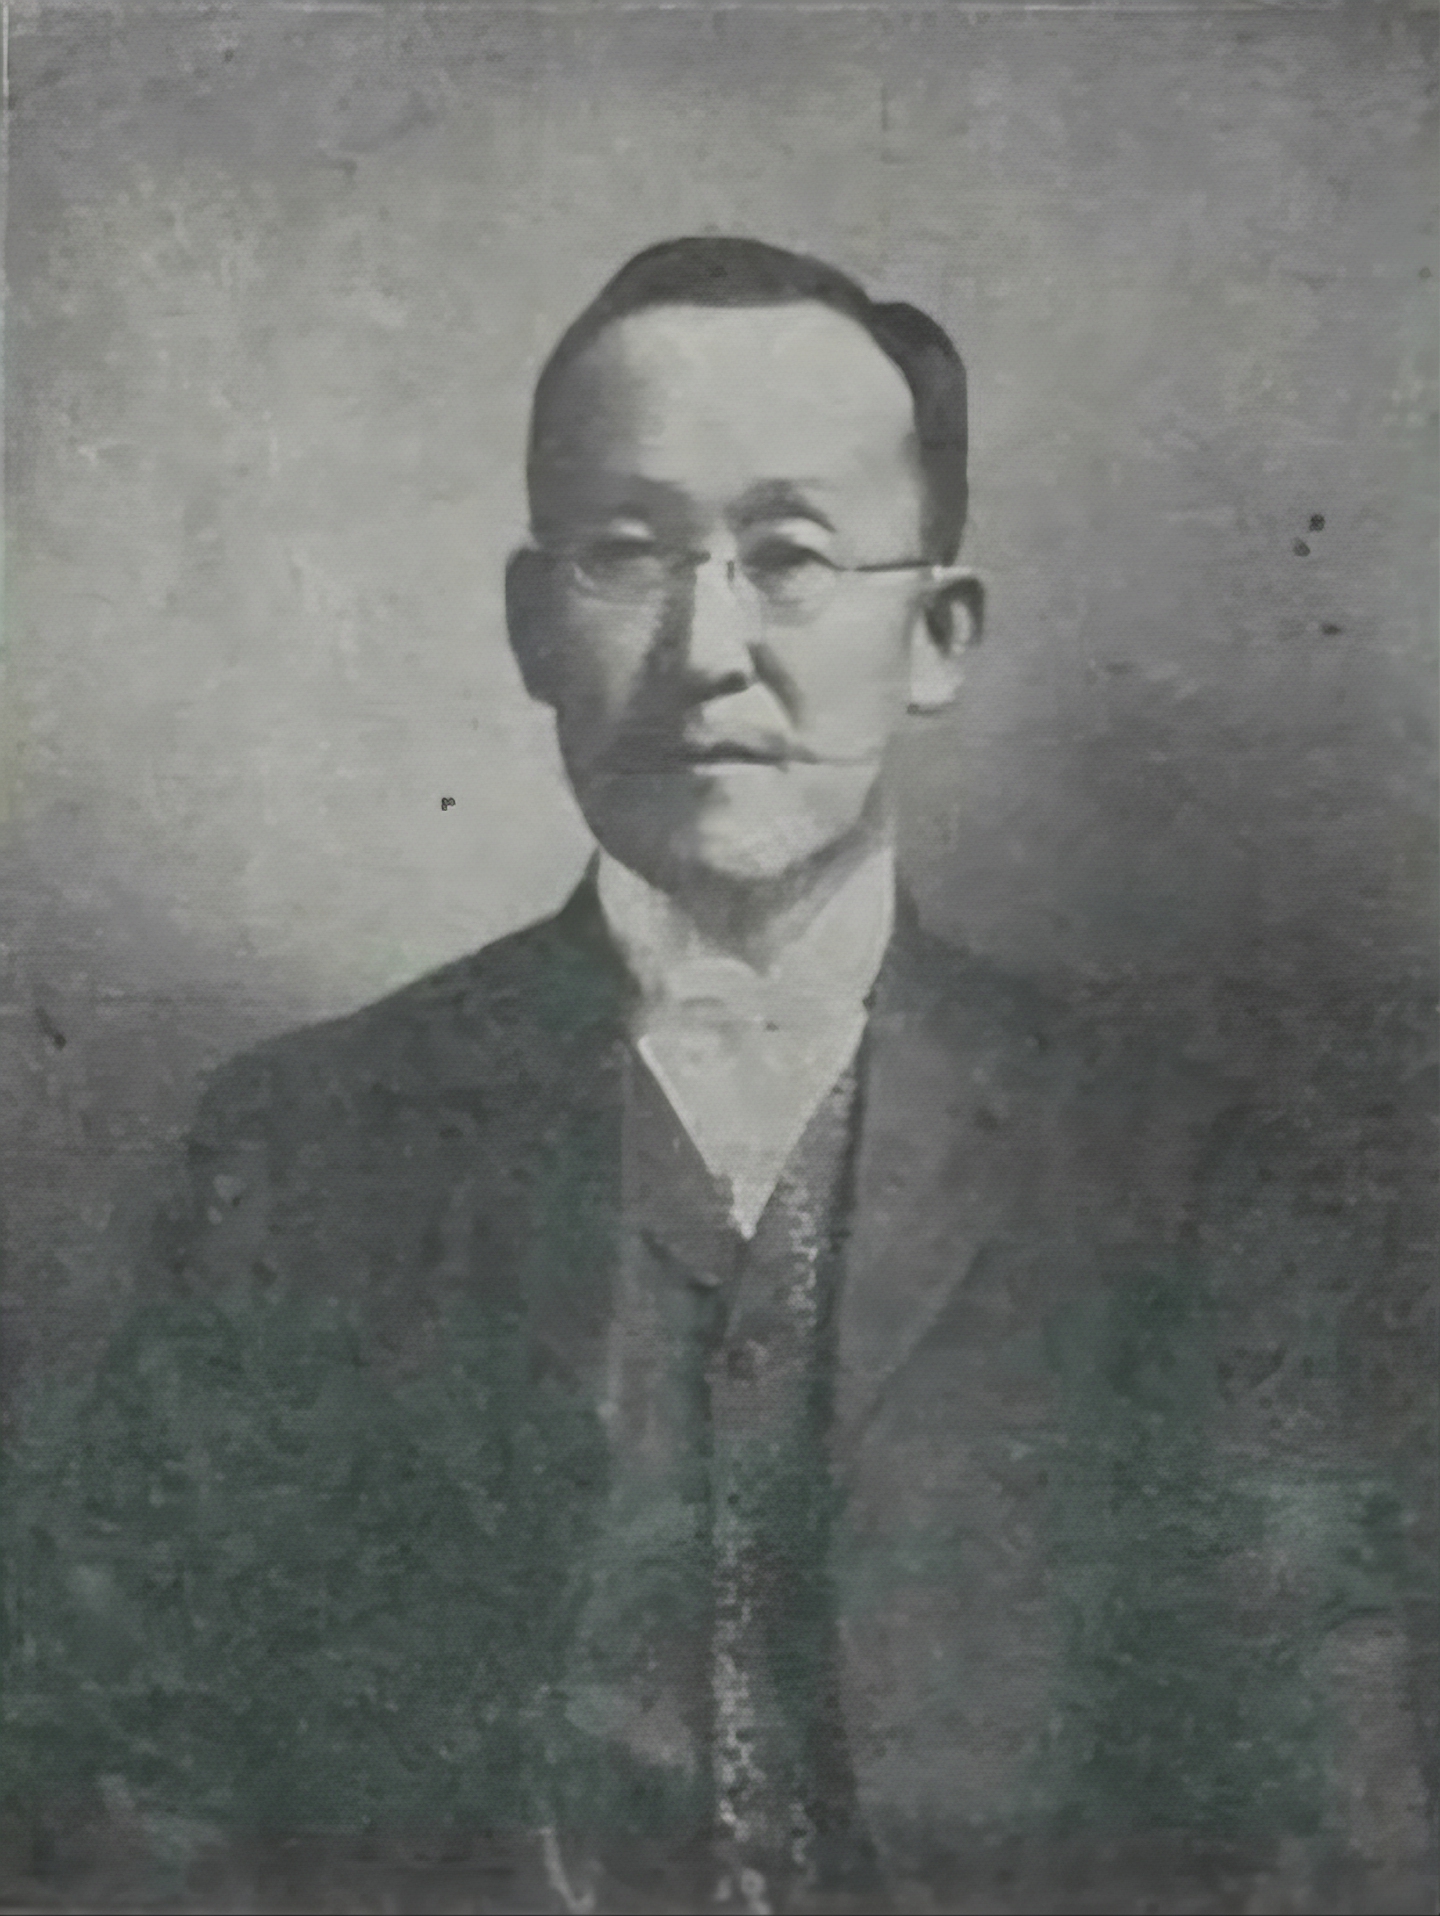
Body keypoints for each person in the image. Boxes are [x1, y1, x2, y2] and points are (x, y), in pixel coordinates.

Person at [9, 239, 1432, 1915]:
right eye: (626, 555)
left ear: (936, 634)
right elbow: (127, 1773)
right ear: (534, 627)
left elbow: (1321, 1812)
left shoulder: (1177, 1162)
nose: (705, 647)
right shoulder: (305, 1145)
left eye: (790, 557)